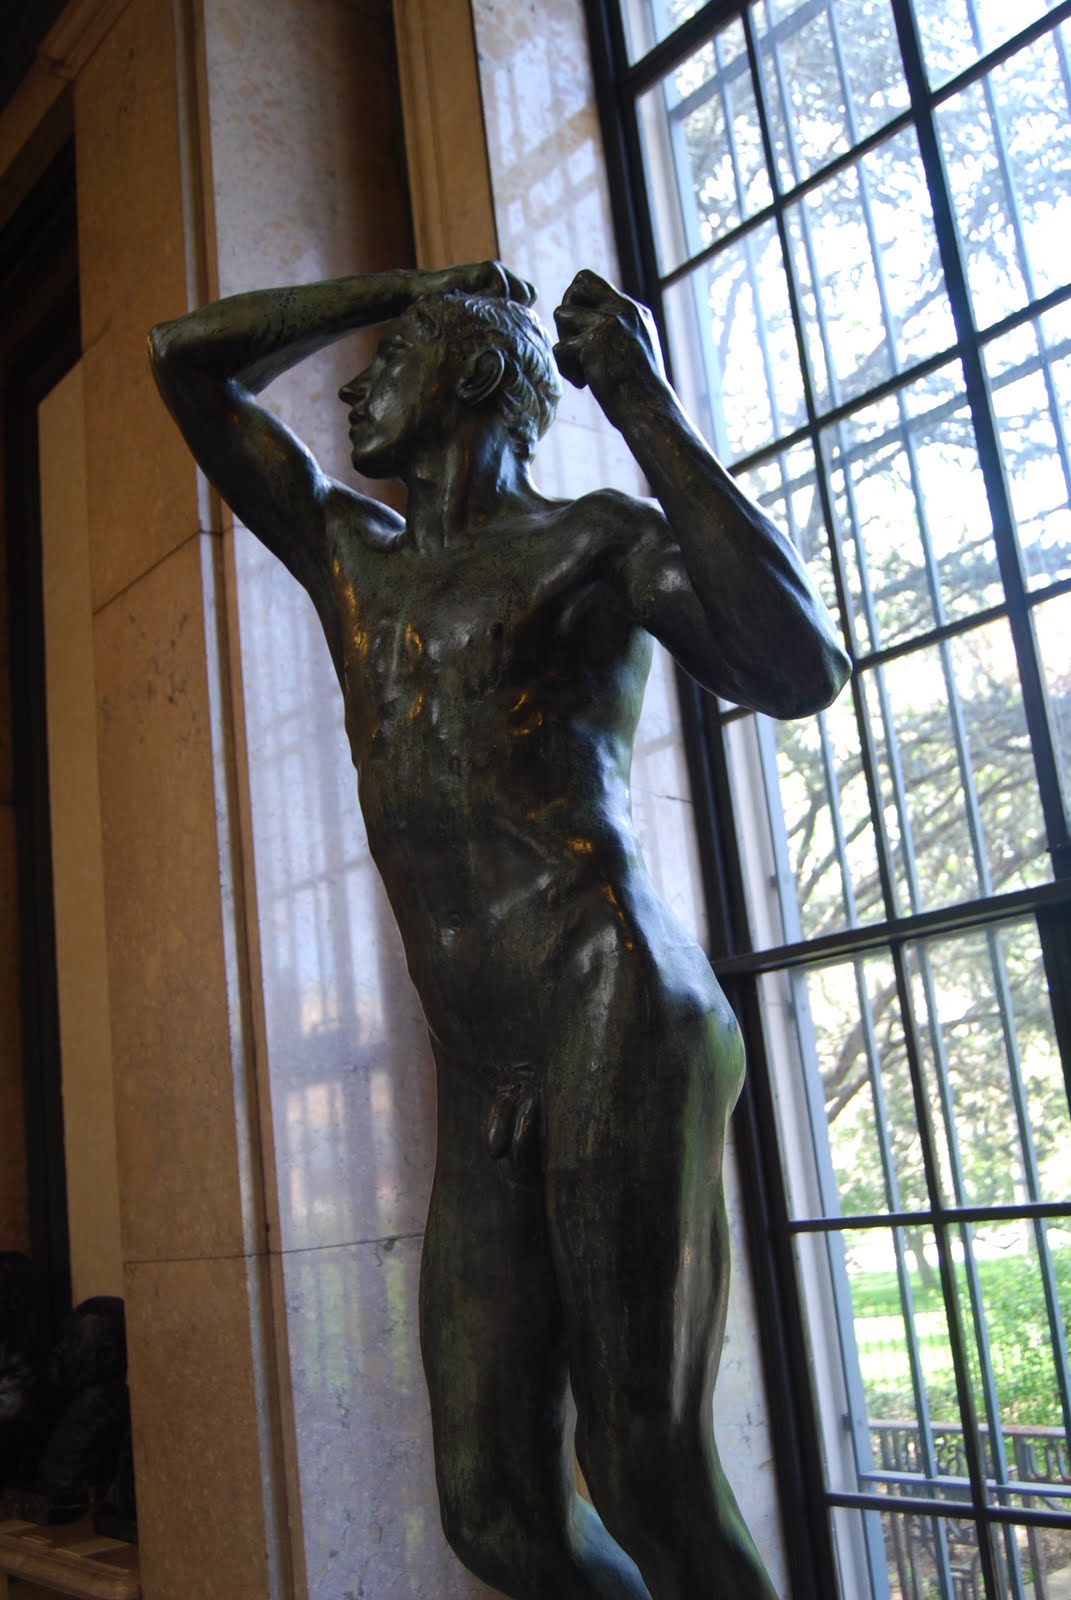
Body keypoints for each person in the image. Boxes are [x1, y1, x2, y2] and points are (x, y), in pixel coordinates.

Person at [149, 261, 850, 1600]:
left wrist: (641, 403)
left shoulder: (593, 545)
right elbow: (183, 359)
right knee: (495, 1512)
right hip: (484, 1061)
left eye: (396, 352)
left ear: (472, 374)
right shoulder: (353, 557)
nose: (357, 383)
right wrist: (406, 285)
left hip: (613, 1001)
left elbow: (797, 664)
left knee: (642, 1467)